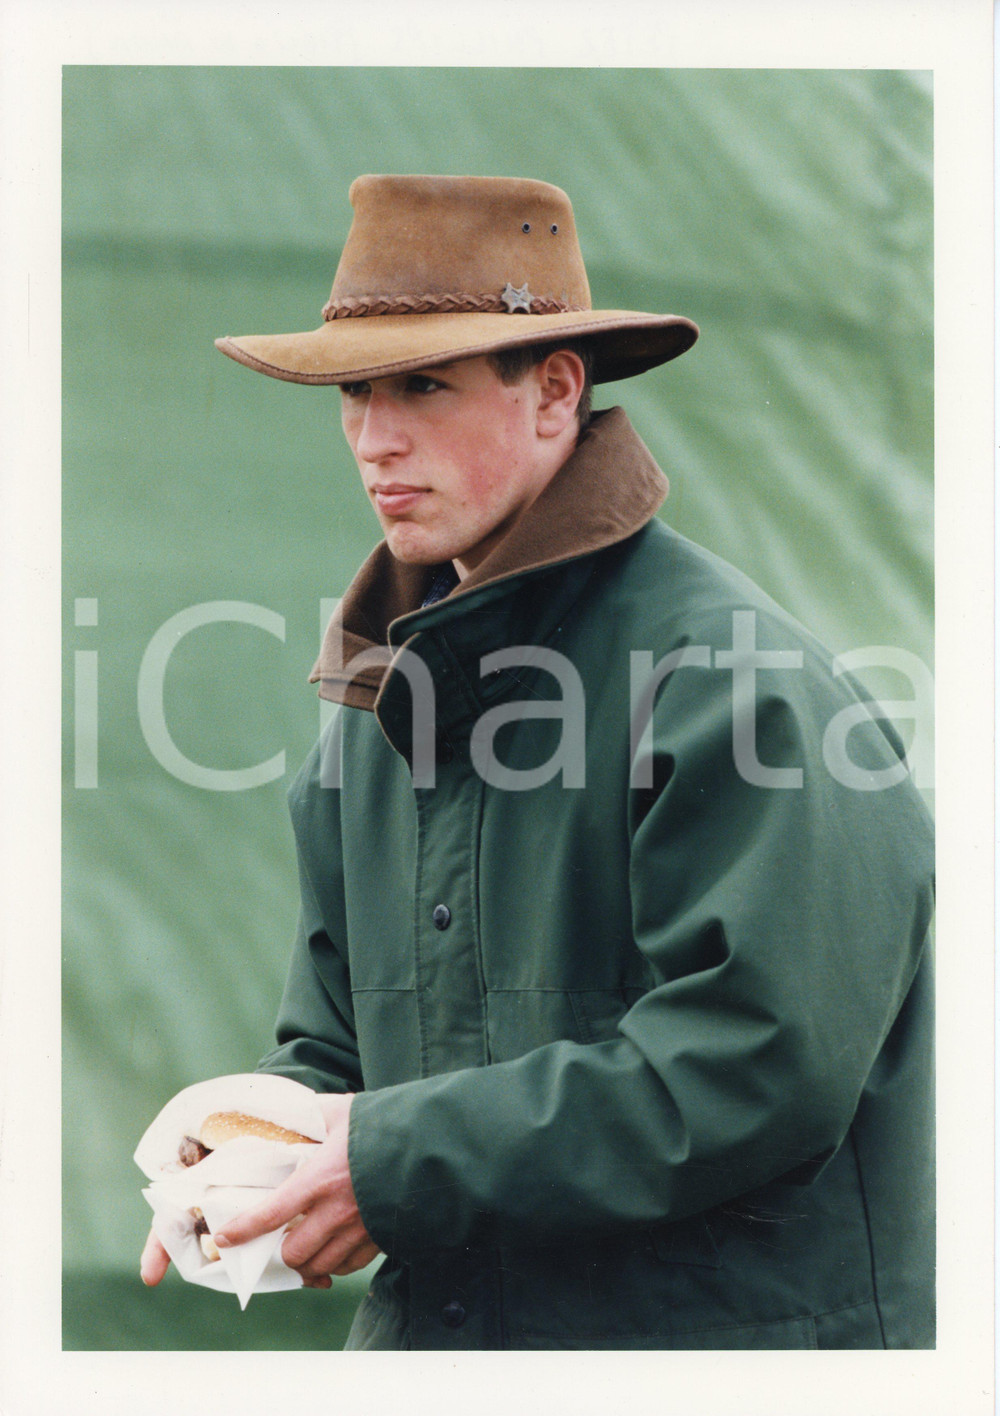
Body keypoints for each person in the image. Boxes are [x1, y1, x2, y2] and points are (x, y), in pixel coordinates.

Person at [141, 174, 934, 1350]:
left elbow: (760, 1068)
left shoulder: (737, 686)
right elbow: (337, 1051)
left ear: (557, 391)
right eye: (356, 390)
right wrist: (251, 1156)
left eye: (424, 384)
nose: (375, 437)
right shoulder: (370, 715)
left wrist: (384, 1160)